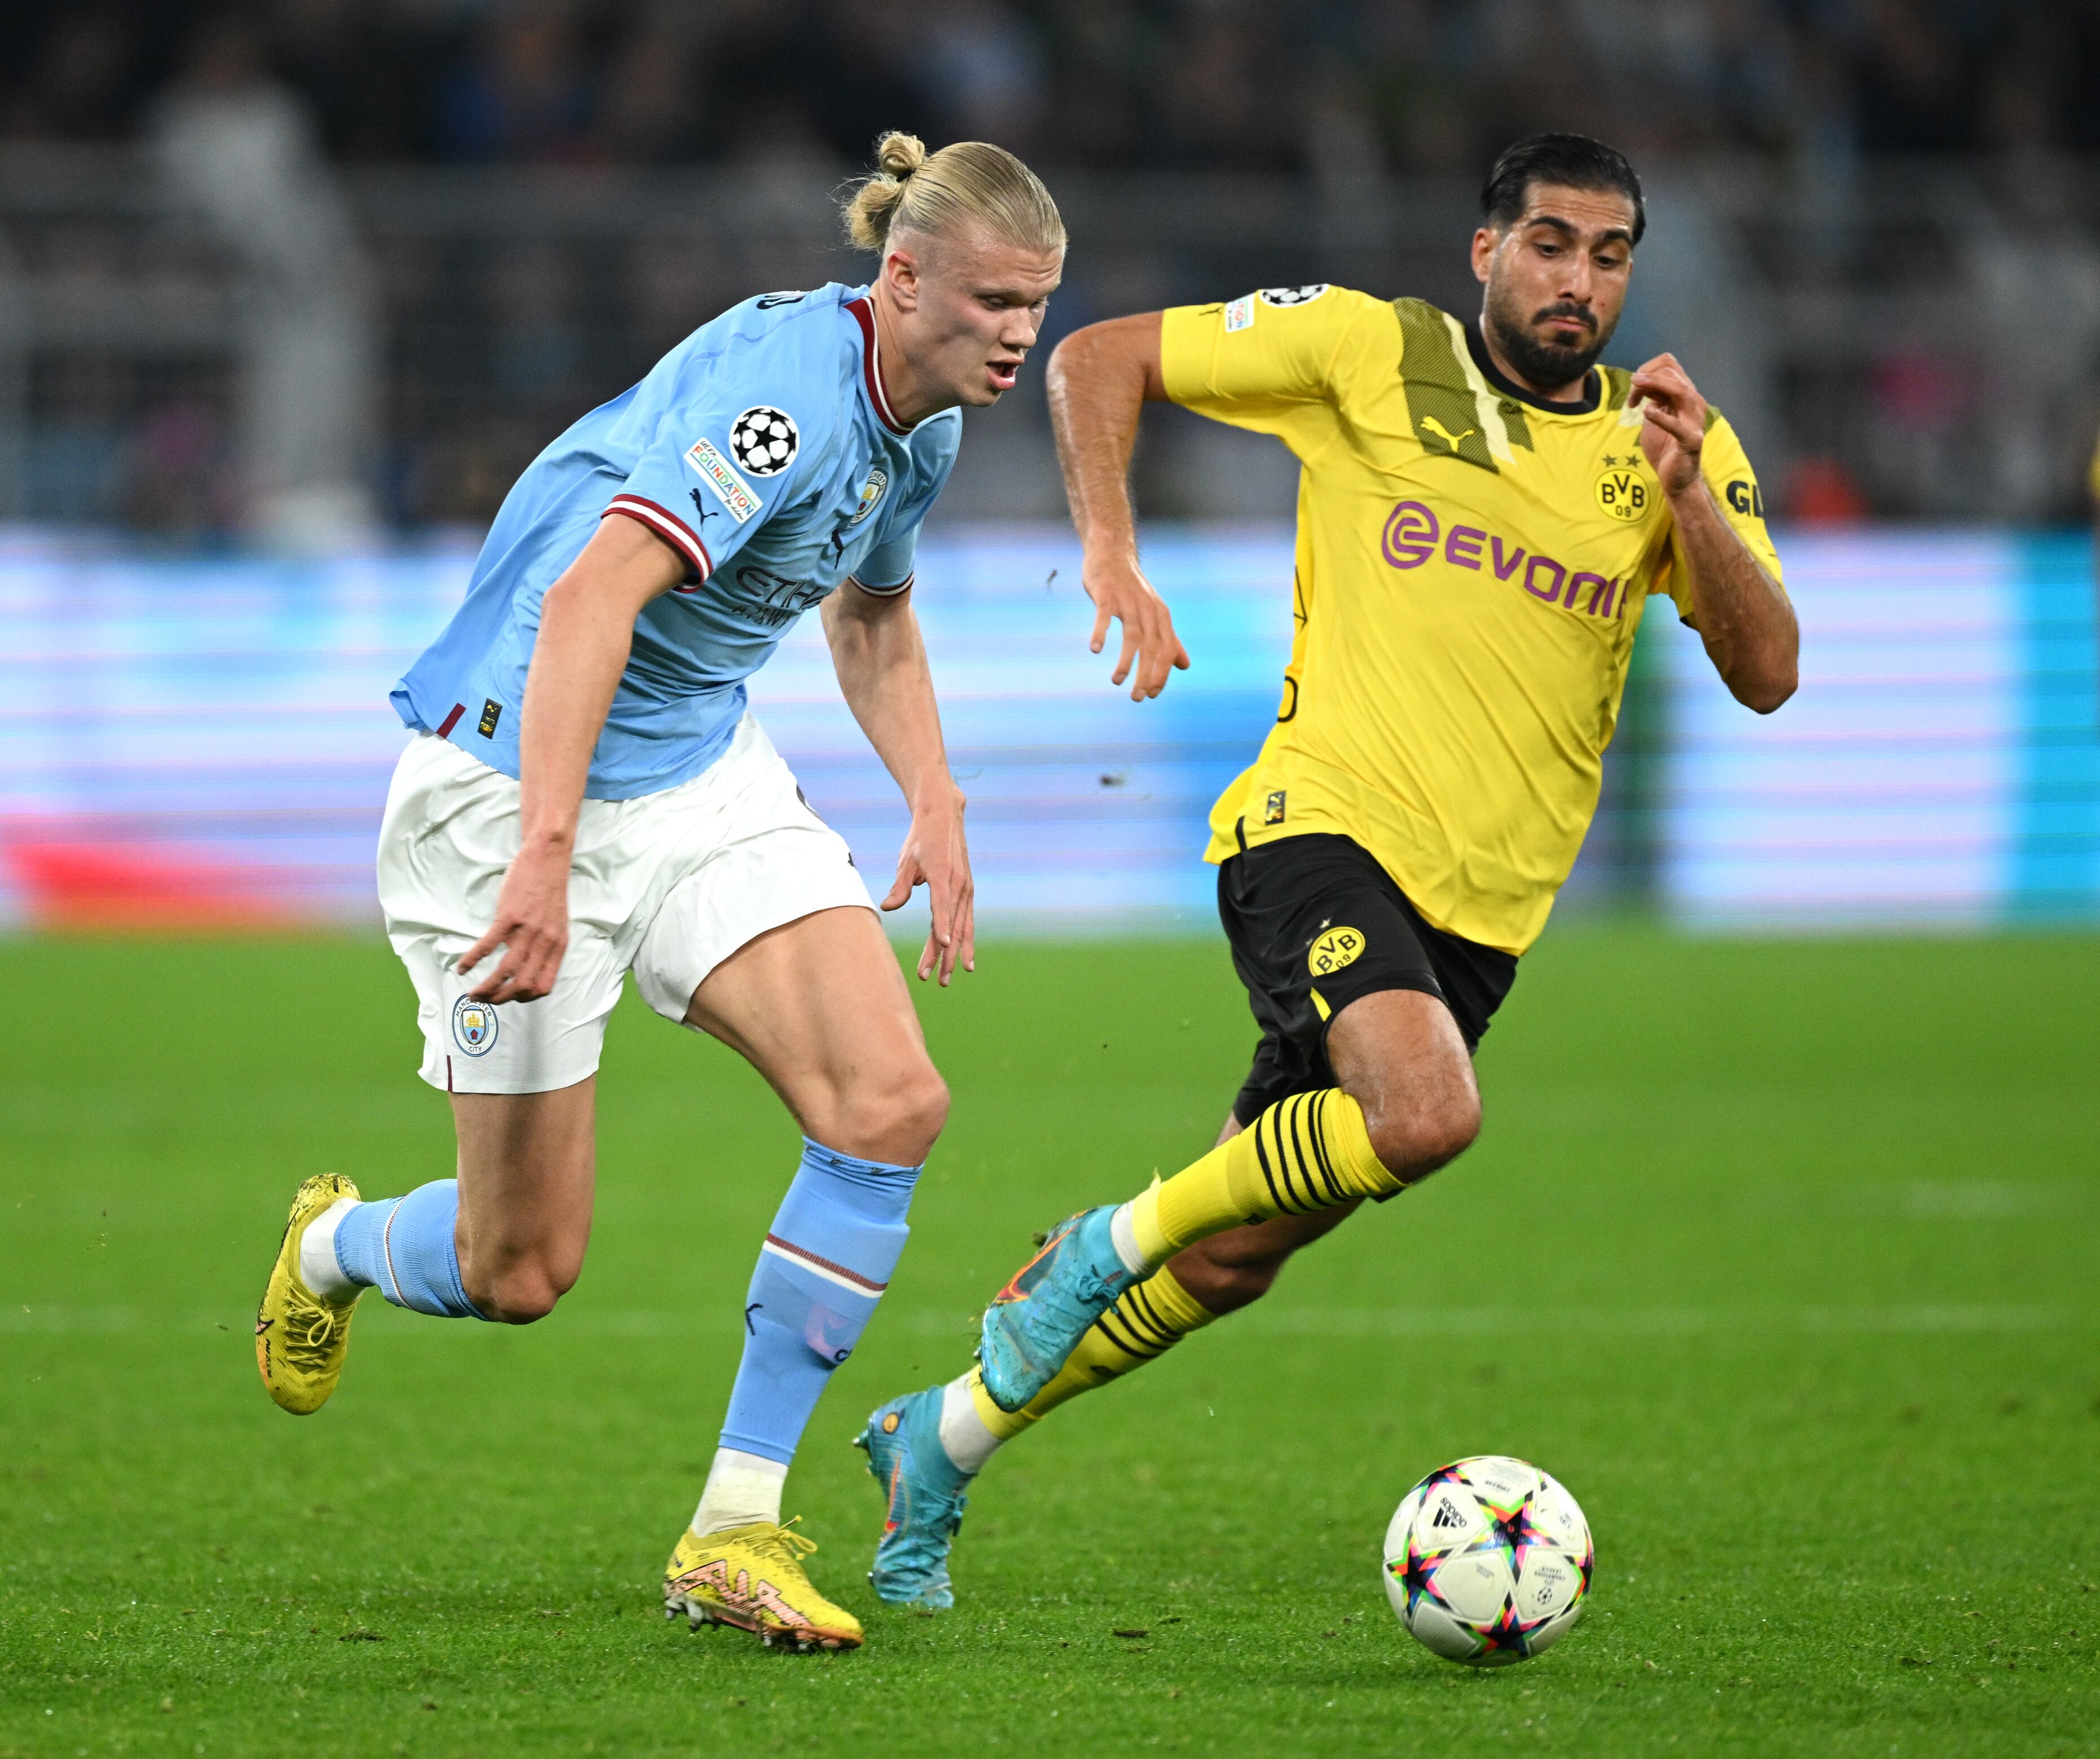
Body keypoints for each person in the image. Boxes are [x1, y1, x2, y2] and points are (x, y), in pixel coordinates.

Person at [857, 133, 1798, 1608]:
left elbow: (1768, 675)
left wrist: (1683, 499)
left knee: (1233, 1263)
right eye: (1548, 243)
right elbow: (1099, 360)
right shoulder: (1367, 351)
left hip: (1476, 926)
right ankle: (1101, 1243)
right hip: (1315, 831)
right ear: (1484, 251)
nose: (1578, 280)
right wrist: (1108, 550)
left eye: (1607, 255)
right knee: (1421, 1117)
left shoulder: (1665, 439)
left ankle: (944, 1443)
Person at [252, 131, 1066, 1652]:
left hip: (695, 772)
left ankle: (732, 1533)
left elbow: (872, 616)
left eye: (1036, 304)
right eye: (993, 302)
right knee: (519, 1270)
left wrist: (937, 801)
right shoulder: (780, 411)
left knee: (888, 1104)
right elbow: (585, 601)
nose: (1018, 335)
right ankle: (334, 1246)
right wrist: (546, 858)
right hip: (509, 785)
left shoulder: (928, 419)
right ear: (902, 282)